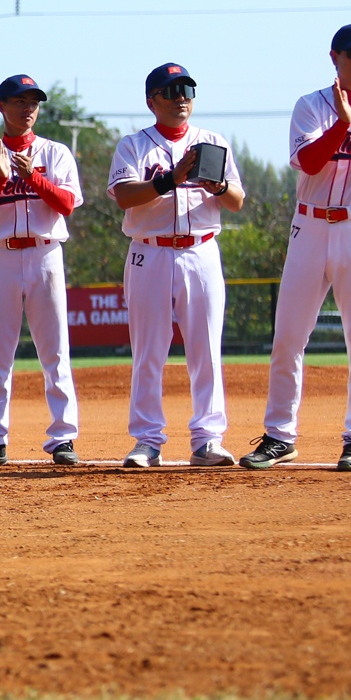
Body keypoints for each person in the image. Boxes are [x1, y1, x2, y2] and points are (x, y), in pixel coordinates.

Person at [249, 24, 351, 472]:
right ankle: (280, 436)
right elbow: (311, 161)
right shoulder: (310, 106)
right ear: (334, 57)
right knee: (288, 338)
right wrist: (342, 122)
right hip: (310, 227)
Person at [107, 62, 245, 469]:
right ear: (152, 101)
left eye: (186, 89)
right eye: (171, 90)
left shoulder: (213, 142)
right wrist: (171, 178)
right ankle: (147, 440)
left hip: (201, 250)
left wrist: (217, 185)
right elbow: (125, 197)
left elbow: (236, 200)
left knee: (206, 349)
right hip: (149, 251)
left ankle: (208, 439)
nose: (181, 97)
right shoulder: (133, 146)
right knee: (149, 351)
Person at [0, 75, 84, 466]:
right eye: (18, 100)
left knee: (55, 352)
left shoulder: (55, 152)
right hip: (1, 256)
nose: (27, 108)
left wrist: (32, 177)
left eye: (33, 101)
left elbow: (66, 204)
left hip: (46, 255)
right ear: (1, 106)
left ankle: (63, 439)